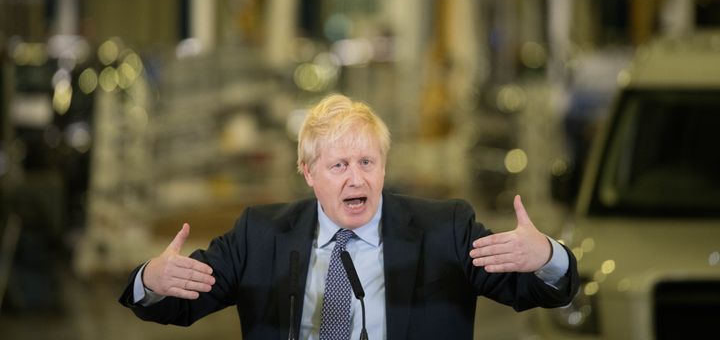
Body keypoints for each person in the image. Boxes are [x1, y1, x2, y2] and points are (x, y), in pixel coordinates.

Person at [119, 93, 579, 339]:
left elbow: (540, 293)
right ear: (308, 172)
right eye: (339, 166)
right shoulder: (259, 236)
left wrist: (546, 256)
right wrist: (151, 280)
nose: (355, 179)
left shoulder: (446, 229)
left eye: (367, 162)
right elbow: (180, 303)